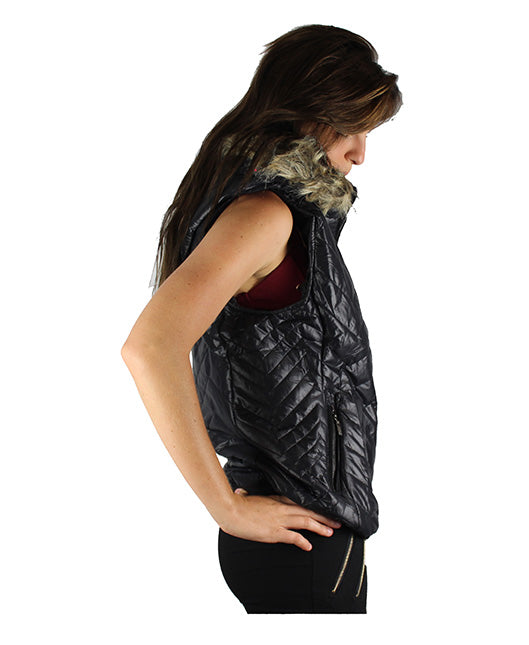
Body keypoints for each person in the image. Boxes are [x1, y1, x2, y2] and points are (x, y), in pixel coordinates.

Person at [121, 25, 401, 613]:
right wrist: (225, 506)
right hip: (299, 546)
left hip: (308, 541)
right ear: (307, 112)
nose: (360, 153)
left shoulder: (291, 219)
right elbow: (150, 346)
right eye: (352, 127)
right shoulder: (266, 214)